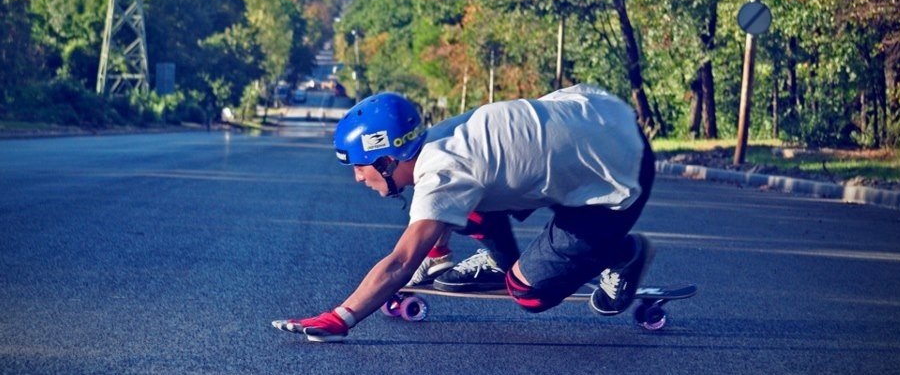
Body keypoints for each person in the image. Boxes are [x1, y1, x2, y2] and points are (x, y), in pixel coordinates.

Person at [273, 84, 655, 342]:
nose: (358, 178)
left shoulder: (442, 173)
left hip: (620, 174)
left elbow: (400, 263)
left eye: (360, 166)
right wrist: (437, 253)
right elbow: (442, 207)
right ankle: (483, 257)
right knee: (463, 207)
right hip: (601, 119)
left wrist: (343, 317)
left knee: (527, 292)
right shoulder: (439, 140)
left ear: (387, 159)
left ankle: (623, 254)